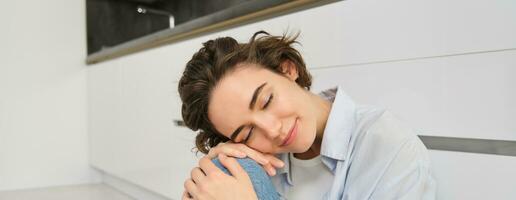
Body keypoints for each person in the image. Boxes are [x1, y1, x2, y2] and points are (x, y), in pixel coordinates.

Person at [178, 31, 437, 200]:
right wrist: (216, 173)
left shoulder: (387, 147)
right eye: (247, 133)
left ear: (287, 69)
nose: (272, 130)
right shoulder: (254, 168)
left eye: (266, 101)